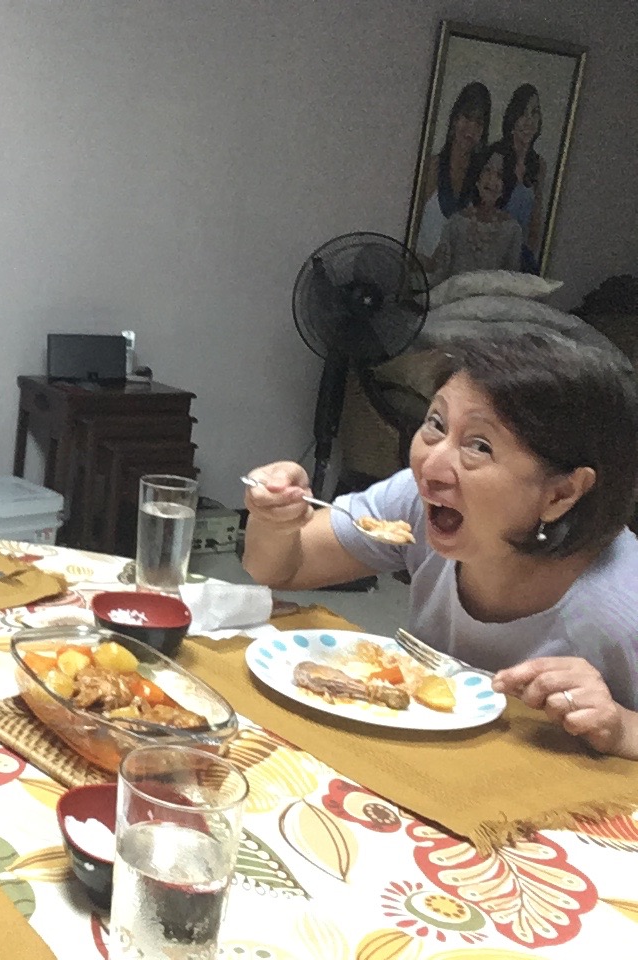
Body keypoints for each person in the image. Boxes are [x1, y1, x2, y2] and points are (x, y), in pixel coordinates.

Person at [241, 327, 638, 759]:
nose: (430, 466)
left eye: (479, 446)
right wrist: (274, 520)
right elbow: (282, 567)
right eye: (436, 423)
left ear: (561, 494)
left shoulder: (623, 600)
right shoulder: (416, 503)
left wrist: (622, 729)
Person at [422, 141, 523, 285]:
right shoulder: (456, 222)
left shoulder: (512, 230)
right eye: (487, 170)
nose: (492, 180)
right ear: (477, 177)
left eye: (500, 175)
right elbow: (440, 275)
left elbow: (511, 282)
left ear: (506, 185)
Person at [415, 81, 491, 259]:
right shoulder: (432, 167)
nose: (471, 128)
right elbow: (408, 228)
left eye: (479, 123)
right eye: (467, 117)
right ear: (455, 119)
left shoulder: (482, 180)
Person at [497, 83, 545, 272]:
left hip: (519, 261)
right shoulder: (496, 156)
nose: (529, 120)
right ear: (513, 117)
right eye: (523, 113)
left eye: (534, 112)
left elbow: (535, 224)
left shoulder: (539, 165)